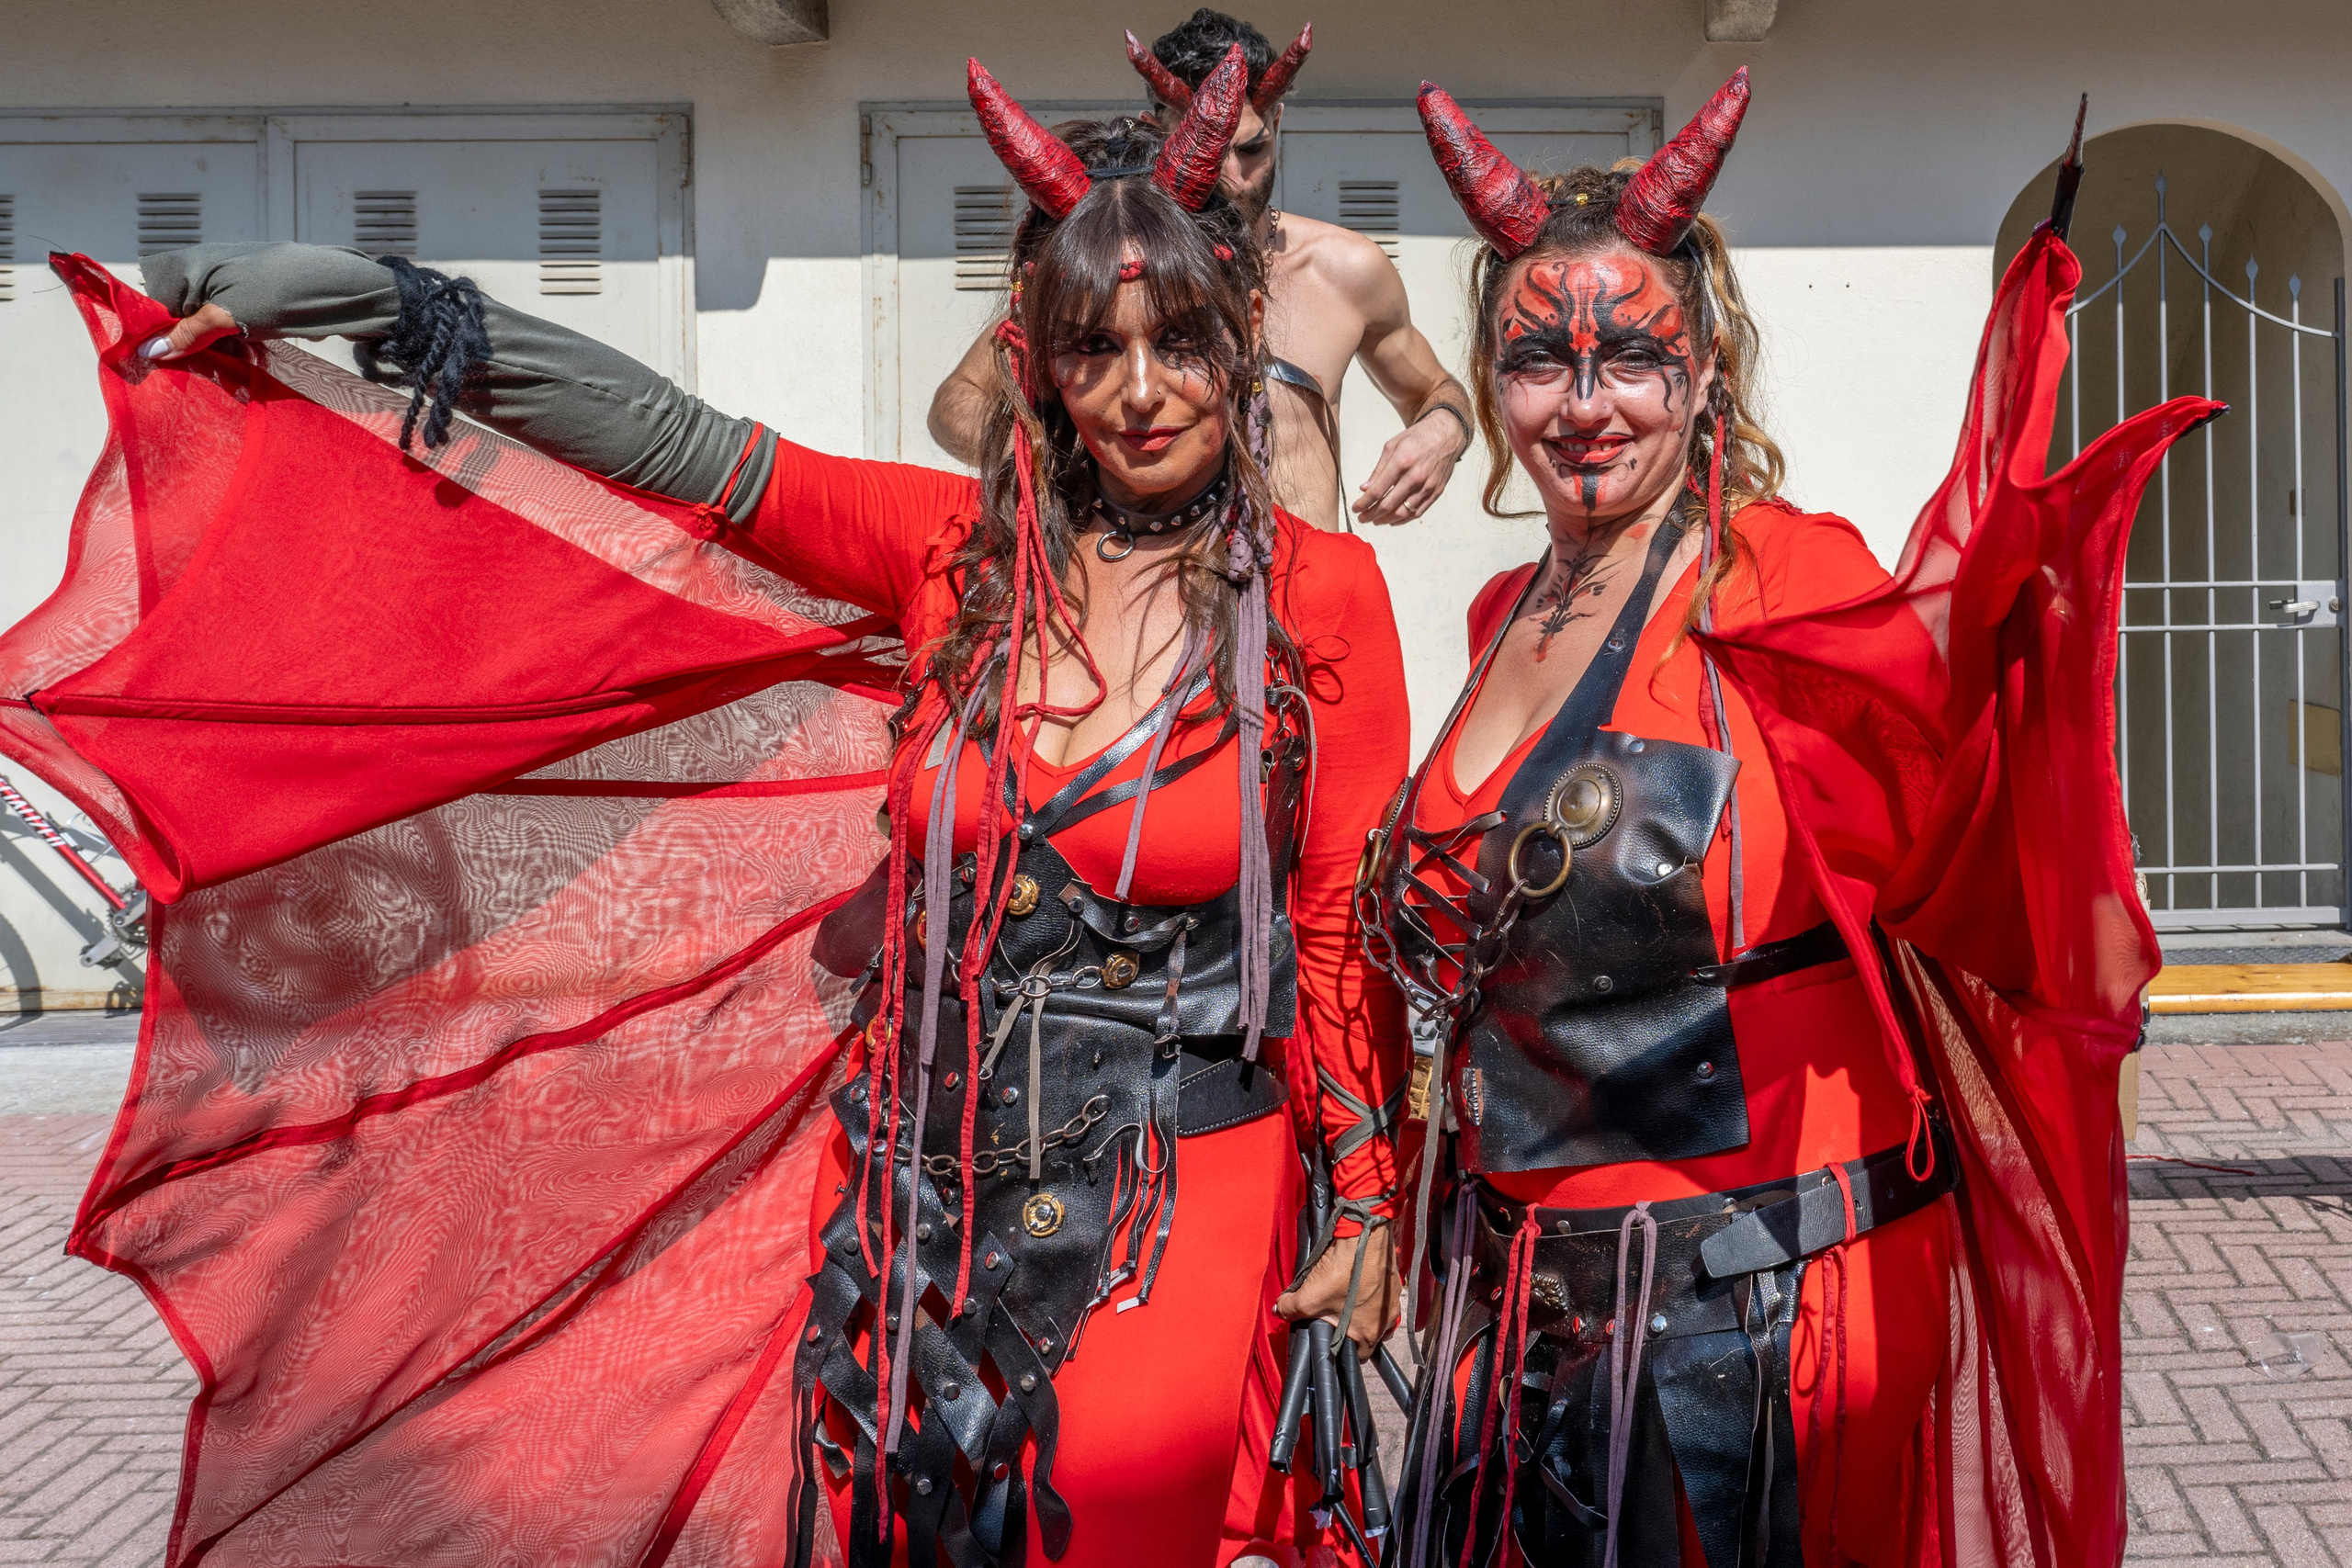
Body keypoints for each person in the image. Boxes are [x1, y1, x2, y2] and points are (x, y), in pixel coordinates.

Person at [3, 49, 1411, 1568]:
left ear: (1238, 337)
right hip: (921, 1196)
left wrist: (1369, 1201)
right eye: (1095, 347)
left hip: (1177, 1195)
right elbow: (682, 446)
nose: (1139, 393)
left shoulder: (1319, 595)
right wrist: (382, 304)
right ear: (1039, 361)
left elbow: (1337, 921)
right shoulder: (947, 549)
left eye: (1178, 342)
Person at [1362, 74, 2212, 1566]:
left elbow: (1960, 772)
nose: (1585, 403)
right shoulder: (1507, 607)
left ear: (1705, 371)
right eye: (1539, 360)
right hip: (1532, 1311)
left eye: (1633, 355)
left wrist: (2022, 541)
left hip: (1763, 1320)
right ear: (1489, 381)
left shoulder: (1782, 579)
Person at [928, 8, 1474, 534]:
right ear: (1155, 131)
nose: (1231, 177)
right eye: (1206, 151)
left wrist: (1441, 431)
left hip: (1309, 588)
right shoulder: (1108, 267)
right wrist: (1078, 452)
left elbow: (1432, 389)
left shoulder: (1347, 269)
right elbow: (956, 403)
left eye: (1252, 149)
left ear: (1278, 121)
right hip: (1147, 582)